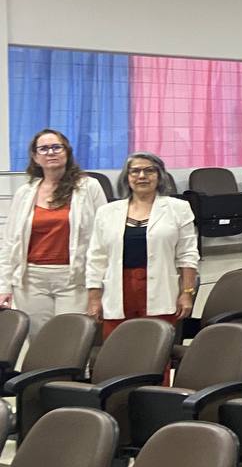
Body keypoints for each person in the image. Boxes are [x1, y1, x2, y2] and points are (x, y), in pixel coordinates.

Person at [0, 129, 106, 337]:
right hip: (31, 280)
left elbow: (103, 237)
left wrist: (98, 284)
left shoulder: (89, 187)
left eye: (56, 147)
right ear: (35, 157)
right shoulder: (25, 193)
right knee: (39, 341)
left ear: (67, 152)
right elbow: (10, 243)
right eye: (44, 148)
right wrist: (4, 286)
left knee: (71, 340)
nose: (51, 152)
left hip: (74, 278)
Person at [85, 152, 197, 341]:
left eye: (149, 171)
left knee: (156, 347)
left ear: (159, 176)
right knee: (117, 347)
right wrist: (94, 297)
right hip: (118, 290)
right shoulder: (106, 212)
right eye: (135, 171)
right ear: (127, 177)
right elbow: (97, 258)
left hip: (161, 290)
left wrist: (187, 293)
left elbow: (188, 255)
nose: (142, 176)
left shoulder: (179, 208)